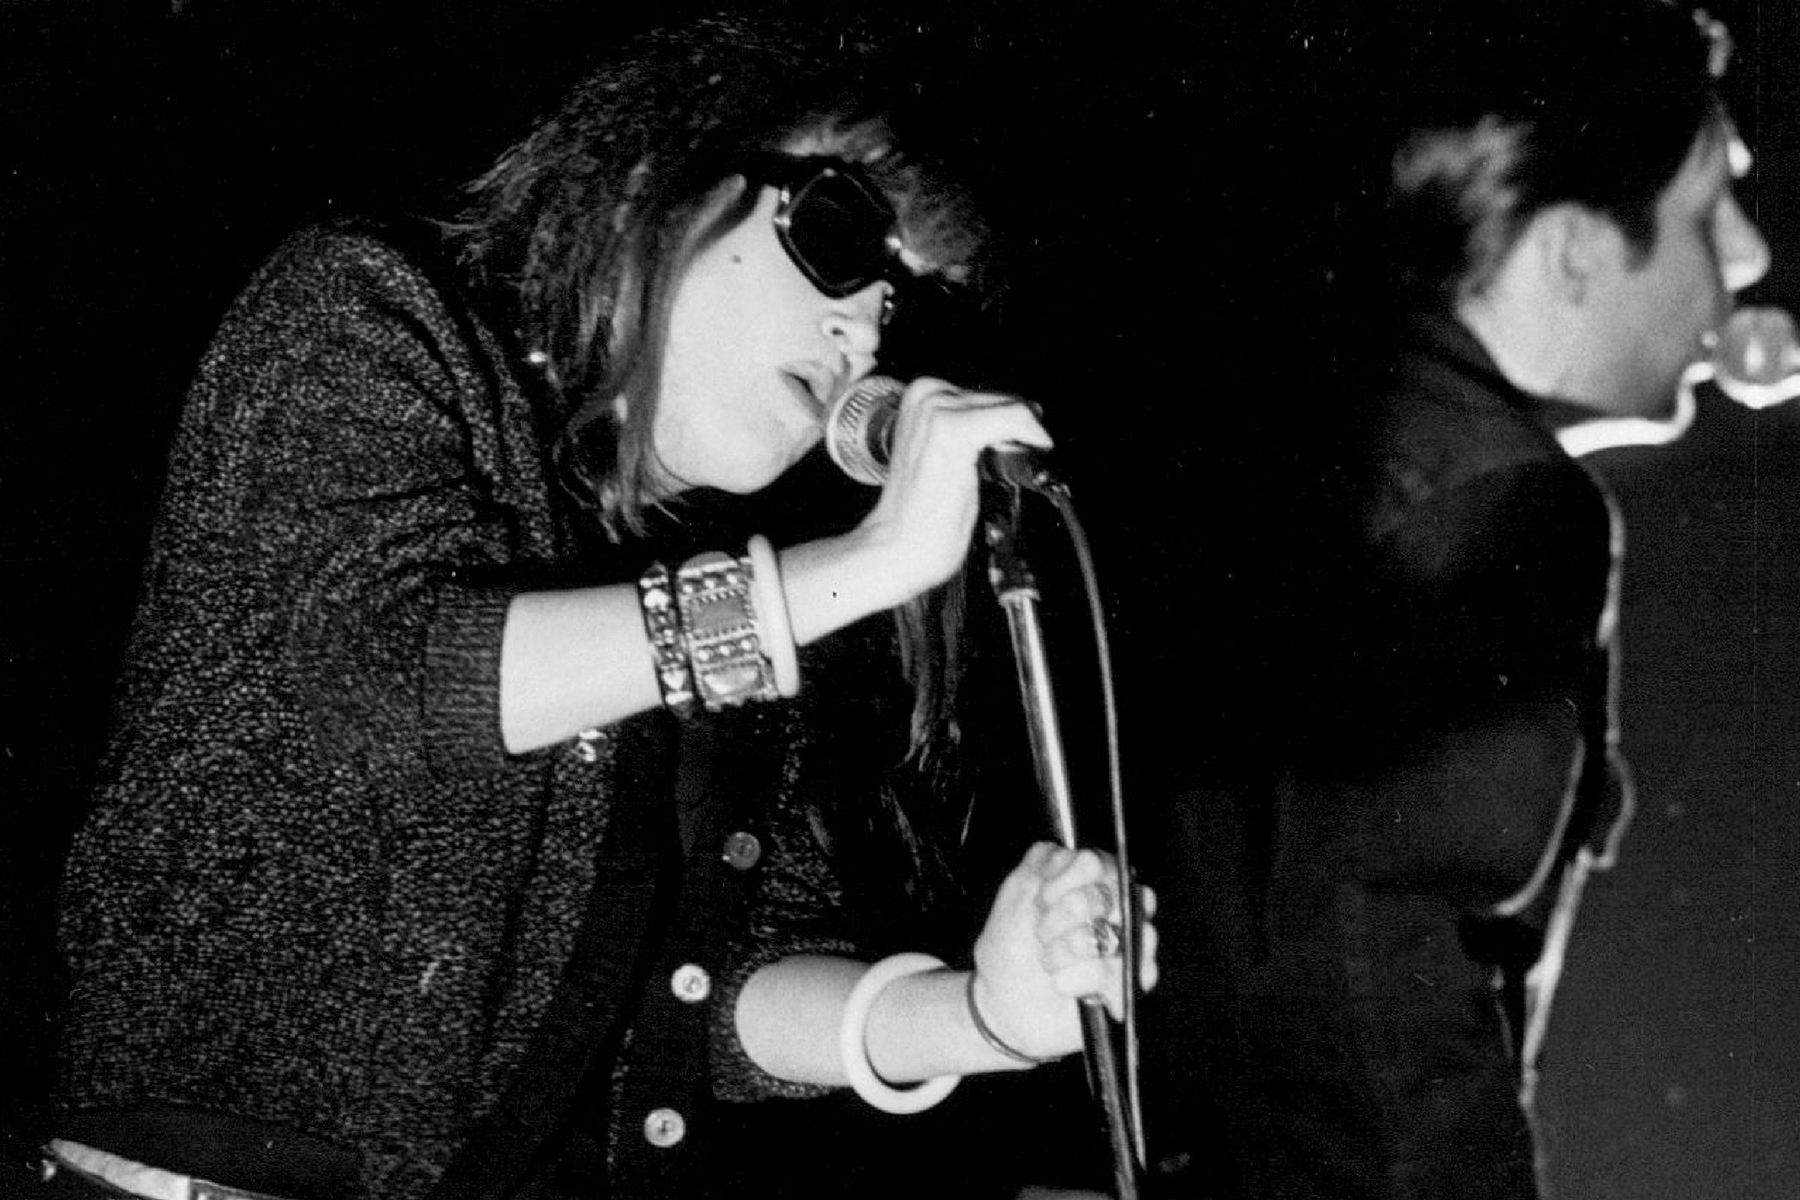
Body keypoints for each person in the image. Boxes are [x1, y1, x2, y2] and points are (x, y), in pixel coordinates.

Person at [46, 13, 1154, 1200]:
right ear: (669, 179)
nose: (863, 331)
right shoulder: (366, 315)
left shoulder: (736, 565)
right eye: (838, 238)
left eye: (900, 306)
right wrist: (863, 566)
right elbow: (386, 671)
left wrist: (982, 1014)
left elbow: (717, 994)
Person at [1142, 2, 1769, 1197]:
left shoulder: (1331, 436)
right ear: (1575, 249)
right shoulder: (1507, 506)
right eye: (1706, 213)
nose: (1745, 260)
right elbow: (1367, 982)